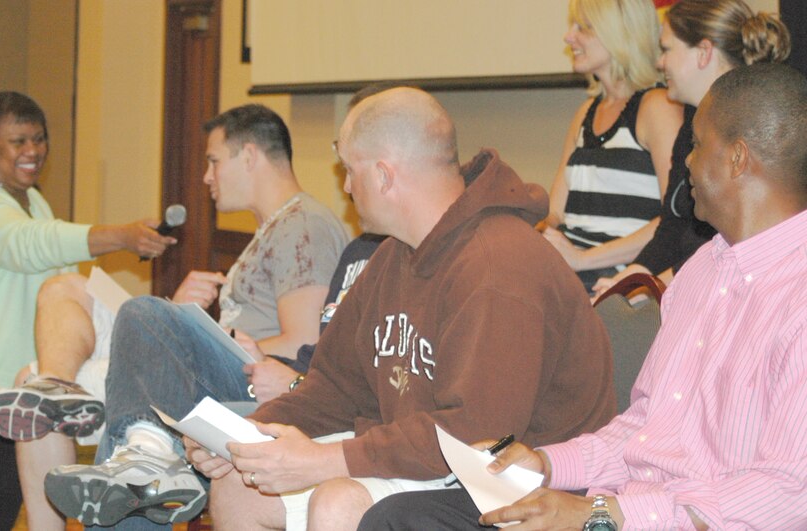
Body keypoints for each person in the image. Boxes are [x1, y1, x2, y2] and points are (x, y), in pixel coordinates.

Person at [360, 63, 807, 531]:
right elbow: (643, 430)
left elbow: (786, 494)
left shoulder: (795, 297)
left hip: (661, 521)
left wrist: (600, 516)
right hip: (623, 511)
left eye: (696, 144)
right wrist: (544, 466)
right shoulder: (700, 272)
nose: (688, 163)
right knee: (402, 519)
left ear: (737, 159)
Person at [173, 87, 616, 531]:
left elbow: (476, 437)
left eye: (350, 171)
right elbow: (335, 387)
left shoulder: (498, 265)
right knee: (239, 485)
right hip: (430, 461)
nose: (345, 187)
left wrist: (325, 461)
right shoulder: (392, 256)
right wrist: (244, 436)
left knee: (339, 501)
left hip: (516, 487)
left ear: (384, 175)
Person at [42, 103, 349, 528]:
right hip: (238, 376)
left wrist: (189, 331)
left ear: (249, 155)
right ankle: (144, 456)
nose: (206, 176)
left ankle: (120, 431)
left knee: (143, 316)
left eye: (213, 161)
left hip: (265, 388)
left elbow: (302, 342)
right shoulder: (277, 227)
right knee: (138, 434)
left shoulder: (304, 226)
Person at [0, 91, 175, 529]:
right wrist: (120, 236)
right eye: (18, 141)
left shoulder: (32, 202)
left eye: (39, 139)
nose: (33, 151)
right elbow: (33, 245)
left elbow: (66, 288)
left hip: (7, 396)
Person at [592, 0, 790, 298]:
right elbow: (672, 227)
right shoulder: (691, 122)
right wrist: (632, 277)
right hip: (688, 285)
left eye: (667, 49)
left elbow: (724, 246)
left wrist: (651, 289)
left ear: (704, 52)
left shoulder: (749, 129)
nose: (660, 63)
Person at [541, 0, 682, 291]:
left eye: (584, 28)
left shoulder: (655, 108)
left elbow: (675, 221)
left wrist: (583, 258)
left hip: (613, 282)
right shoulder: (585, 112)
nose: (569, 37)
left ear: (621, 34)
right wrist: (540, 232)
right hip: (572, 272)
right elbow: (556, 210)